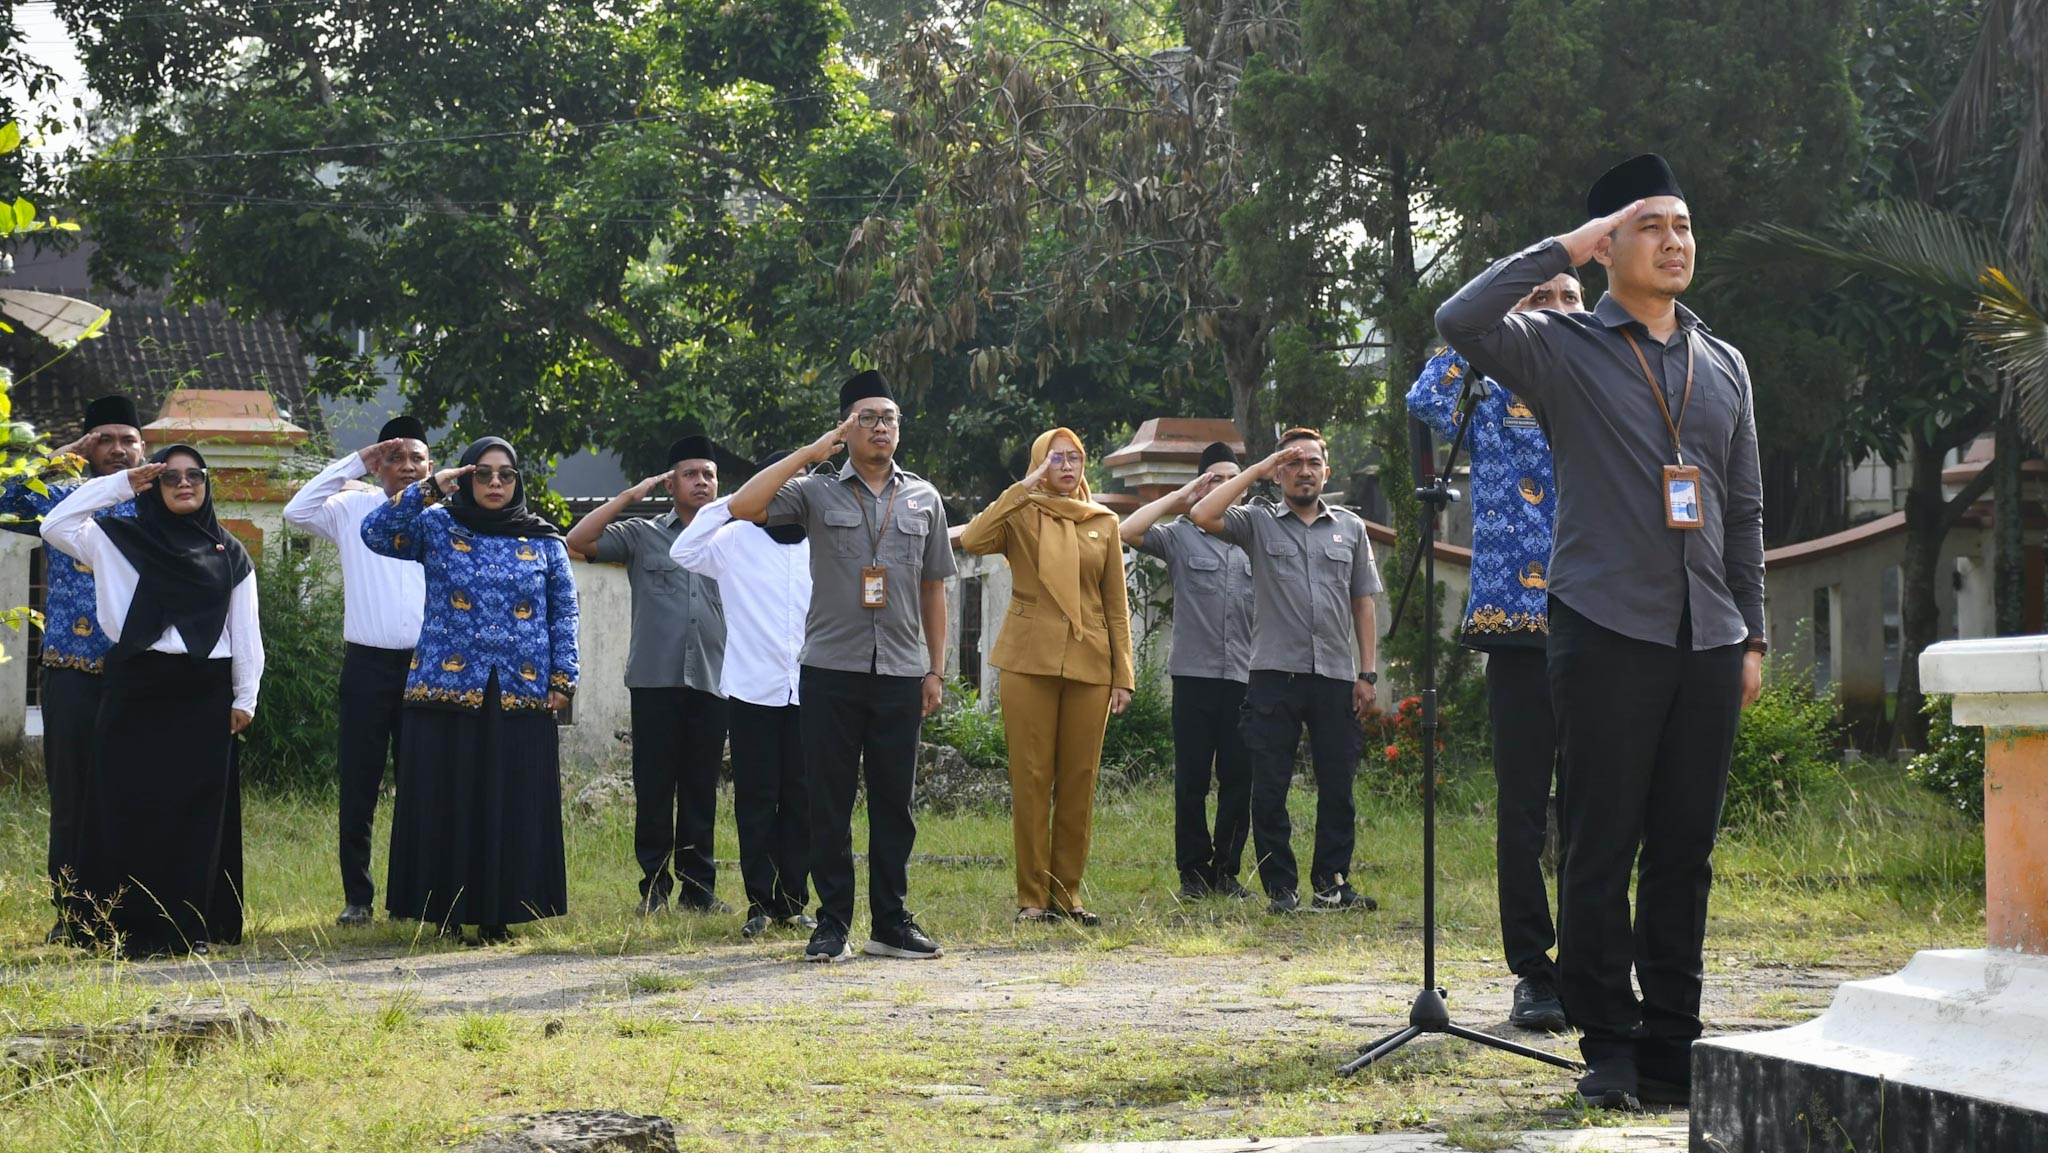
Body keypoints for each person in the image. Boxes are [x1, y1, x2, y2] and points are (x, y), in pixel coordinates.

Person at [1435, 153, 1765, 1110]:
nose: (1674, 241)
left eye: (1684, 226)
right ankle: (1607, 1043)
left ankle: (1672, 1043)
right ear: (1611, 245)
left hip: (1707, 634)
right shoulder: (1561, 346)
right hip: (1602, 625)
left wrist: (1751, 636)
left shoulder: (1725, 362)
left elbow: (1742, 507)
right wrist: (1567, 244)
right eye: (1652, 225)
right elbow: (1459, 321)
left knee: (1684, 848)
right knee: (1598, 840)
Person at [1405, 272, 1583, 1034]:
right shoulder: (1490, 379)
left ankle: (1592, 964)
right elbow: (1422, 401)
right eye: (1542, 298)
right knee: (1522, 803)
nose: (1559, 311)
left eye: (1571, 298)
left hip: (1599, 614)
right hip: (1515, 618)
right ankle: (1534, 972)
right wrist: (1500, 317)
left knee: (1595, 802)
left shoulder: (1602, 380)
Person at [727, 370, 952, 964]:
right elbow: (745, 506)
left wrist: (937, 669)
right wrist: (810, 452)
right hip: (830, 668)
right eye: (868, 418)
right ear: (847, 426)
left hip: (902, 670)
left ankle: (891, 922)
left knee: (893, 804)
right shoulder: (816, 491)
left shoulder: (924, 498)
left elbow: (935, 588)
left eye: (890, 418)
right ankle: (832, 923)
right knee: (826, 801)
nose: (882, 427)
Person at [41, 445, 262, 958]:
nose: (184, 484)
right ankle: (119, 927)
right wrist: (122, 483)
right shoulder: (114, 540)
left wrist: (245, 696)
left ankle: (187, 927)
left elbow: (246, 632)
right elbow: (56, 522)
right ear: (153, 484)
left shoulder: (229, 552)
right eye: (170, 477)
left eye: (194, 475)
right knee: (125, 802)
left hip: (203, 690)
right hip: (136, 683)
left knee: (193, 810)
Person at [361, 437, 579, 943]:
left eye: (505, 474)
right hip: (445, 687)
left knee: (509, 801)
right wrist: (429, 487)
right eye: (483, 473)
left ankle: (499, 914)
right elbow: (375, 532)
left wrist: (564, 678)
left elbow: (564, 611)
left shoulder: (545, 540)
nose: (496, 483)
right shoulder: (438, 524)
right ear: (466, 477)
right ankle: (445, 913)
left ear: (518, 480)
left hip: (521, 690)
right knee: (447, 798)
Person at [1191, 428, 1382, 915]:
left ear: (1326, 471)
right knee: (1269, 786)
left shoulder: (1351, 529)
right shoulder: (1257, 524)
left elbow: (1363, 602)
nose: (1304, 472)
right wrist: (1255, 468)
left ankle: (1331, 883)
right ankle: (1282, 887)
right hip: (1274, 675)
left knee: (1338, 785)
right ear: (1279, 473)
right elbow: (1202, 514)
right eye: (1292, 464)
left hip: (1337, 675)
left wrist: (1368, 672)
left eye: (1312, 463)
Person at [960, 428, 1134, 925]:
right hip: (1028, 659)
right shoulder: (1021, 513)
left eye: (1075, 457)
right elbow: (972, 539)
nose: (1066, 465)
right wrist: (1022, 487)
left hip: (1091, 662)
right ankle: (1033, 898)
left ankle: (1068, 895)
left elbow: (1116, 608)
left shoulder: (1103, 520)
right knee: (1031, 779)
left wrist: (1123, 674)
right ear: (1039, 462)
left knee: (1080, 780)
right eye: (1055, 457)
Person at [0, 394, 145, 940]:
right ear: (87, 449)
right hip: (71, 671)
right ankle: (74, 914)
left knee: (137, 791)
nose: (115, 450)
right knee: (74, 797)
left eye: (125, 439)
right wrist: (60, 457)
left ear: (142, 447)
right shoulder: (62, 499)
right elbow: (5, 501)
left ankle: (133, 910)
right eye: (101, 440)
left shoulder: (160, 504)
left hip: (144, 675)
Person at [566, 436, 728, 915]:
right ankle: (654, 891)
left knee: (701, 788)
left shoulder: (732, 535)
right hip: (655, 681)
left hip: (715, 679)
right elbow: (578, 541)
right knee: (654, 788)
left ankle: (698, 891)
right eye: (691, 474)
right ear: (671, 482)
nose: (702, 482)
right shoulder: (642, 534)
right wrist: (627, 498)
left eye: (709, 474)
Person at [281, 416, 431, 927]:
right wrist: (356, 463)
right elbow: (295, 511)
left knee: (423, 784)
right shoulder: (353, 507)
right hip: (367, 666)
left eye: (416, 458)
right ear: (379, 466)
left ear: (430, 466)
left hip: (429, 668)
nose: (406, 467)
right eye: (394, 458)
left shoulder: (446, 516)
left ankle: (415, 895)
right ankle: (358, 897)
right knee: (359, 785)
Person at [671, 450, 815, 940]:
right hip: (752, 686)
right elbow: (683, 551)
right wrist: (739, 500)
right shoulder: (734, 537)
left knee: (803, 797)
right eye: (784, 480)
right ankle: (760, 902)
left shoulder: (824, 539)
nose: (793, 489)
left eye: (801, 480)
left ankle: (794, 902)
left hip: (812, 688)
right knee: (756, 796)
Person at [1121, 441, 1256, 902]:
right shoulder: (1180, 535)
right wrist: (1182, 496)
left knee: (1240, 779)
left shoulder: (1255, 536)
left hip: (1244, 677)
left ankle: (1227, 871)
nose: (1222, 486)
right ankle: (1193, 873)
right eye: (1213, 479)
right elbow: (1129, 530)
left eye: (1228, 479)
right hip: (1194, 676)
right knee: (1193, 779)